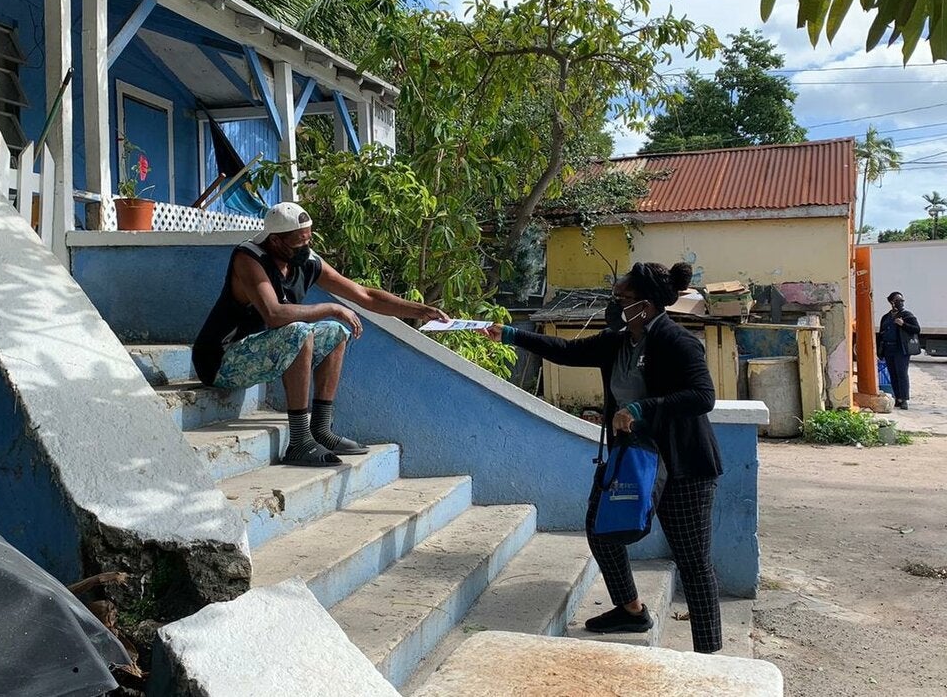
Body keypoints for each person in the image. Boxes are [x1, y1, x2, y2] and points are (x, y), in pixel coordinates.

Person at [483, 261, 725, 653]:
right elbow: (565, 350)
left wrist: (643, 409)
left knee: (694, 562)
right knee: (602, 531)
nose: (613, 306)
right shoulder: (617, 342)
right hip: (632, 459)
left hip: (682, 467)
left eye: (621, 299)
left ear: (644, 306)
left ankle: (710, 655)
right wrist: (510, 334)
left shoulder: (678, 342)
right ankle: (630, 610)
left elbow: (703, 397)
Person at [193, 202, 448, 467]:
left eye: (308, 239)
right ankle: (299, 441)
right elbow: (274, 314)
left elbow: (364, 295)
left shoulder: (307, 262)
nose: (306, 247)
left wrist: (421, 311)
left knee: (336, 332)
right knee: (298, 331)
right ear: (276, 241)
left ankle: (321, 429)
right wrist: (332, 307)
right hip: (221, 362)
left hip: (258, 353)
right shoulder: (249, 258)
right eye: (298, 243)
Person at [877, 291, 920, 410]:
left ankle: (904, 399)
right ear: (892, 302)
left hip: (901, 349)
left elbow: (916, 329)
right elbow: (880, 334)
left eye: (901, 300)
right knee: (893, 374)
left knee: (902, 373)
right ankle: (898, 398)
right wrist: (879, 351)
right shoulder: (886, 317)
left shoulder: (907, 315)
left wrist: (903, 324)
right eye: (897, 300)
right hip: (888, 348)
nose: (900, 303)